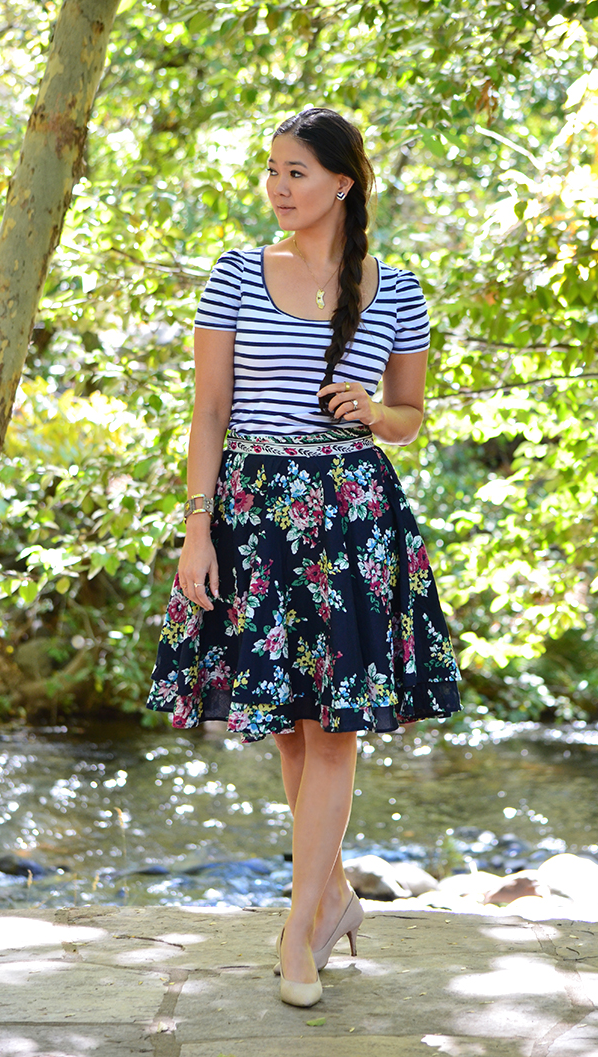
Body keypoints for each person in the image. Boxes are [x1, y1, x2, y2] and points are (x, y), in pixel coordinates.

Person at [147, 107, 461, 1008]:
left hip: (352, 518)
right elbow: (210, 412)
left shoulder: (397, 290)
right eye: (273, 170)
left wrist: (374, 409)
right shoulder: (236, 275)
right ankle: (334, 896)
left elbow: (411, 415)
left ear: (342, 183)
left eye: (296, 172)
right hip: (252, 513)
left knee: (333, 727)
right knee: (289, 722)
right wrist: (197, 528)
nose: (278, 187)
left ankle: (299, 928)